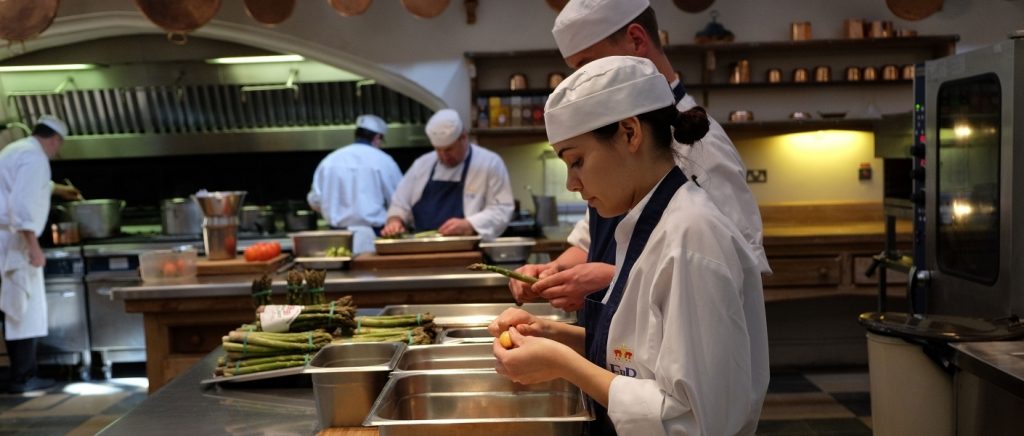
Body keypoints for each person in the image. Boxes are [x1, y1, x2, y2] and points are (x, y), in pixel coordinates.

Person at [489, 56, 768, 436]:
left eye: (577, 161)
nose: (571, 183)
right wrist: (553, 335)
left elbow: (693, 420)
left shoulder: (691, 238)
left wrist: (563, 364)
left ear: (629, 133)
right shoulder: (647, 223)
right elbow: (643, 354)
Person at [509, 0, 769, 310]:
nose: (580, 81)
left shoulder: (701, 145)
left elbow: (735, 269)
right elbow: (596, 237)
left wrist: (614, 279)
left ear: (636, 39)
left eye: (587, 65)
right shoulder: (609, 148)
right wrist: (555, 271)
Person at [0, 115, 81, 394]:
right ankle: (23, 377)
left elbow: (19, 186)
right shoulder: (36, 158)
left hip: (7, 237)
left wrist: (58, 189)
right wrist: (34, 248)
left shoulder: (17, 149)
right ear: (55, 140)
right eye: (59, 145)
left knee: (16, 306)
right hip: (13, 241)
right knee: (21, 308)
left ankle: (20, 374)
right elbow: (22, 205)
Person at [381, 109, 514, 240]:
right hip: (423, 248)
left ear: (463, 137)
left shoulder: (489, 163)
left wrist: (469, 224)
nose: (444, 156)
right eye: (438, 150)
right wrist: (395, 221)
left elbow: (502, 209)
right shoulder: (422, 164)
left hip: (468, 248)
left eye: (449, 149)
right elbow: (400, 203)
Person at [307, 114, 402, 255]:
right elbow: (399, 199)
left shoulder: (330, 161)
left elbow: (315, 200)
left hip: (337, 239)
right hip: (377, 235)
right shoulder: (384, 161)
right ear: (377, 138)